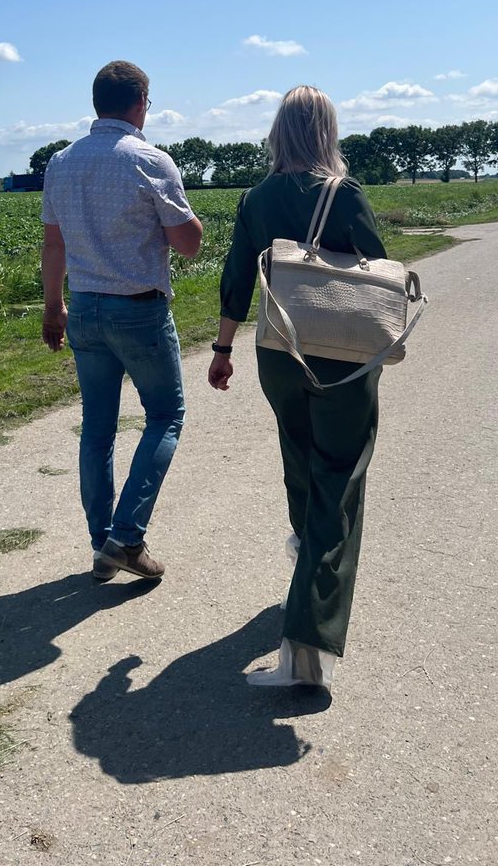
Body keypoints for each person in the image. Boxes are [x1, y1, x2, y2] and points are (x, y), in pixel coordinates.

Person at [208, 85, 387, 691]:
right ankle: (307, 646)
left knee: (301, 463)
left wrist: (223, 348)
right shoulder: (346, 194)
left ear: (278, 134)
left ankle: (307, 556)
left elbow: (237, 277)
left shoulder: (256, 198)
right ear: (328, 133)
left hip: (278, 352)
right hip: (339, 358)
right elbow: (379, 275)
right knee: (340, 479)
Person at [41, 60, 203, 582]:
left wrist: (53, 307)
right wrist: (189, 219)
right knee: (165, 416)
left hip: (84, 306)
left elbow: (53, 244)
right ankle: (126, 538)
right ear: (140, 104)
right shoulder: (150, 161)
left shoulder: (61, 163)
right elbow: (189, 244)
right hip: (138, 309)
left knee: (98, 427)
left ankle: (101, 541)